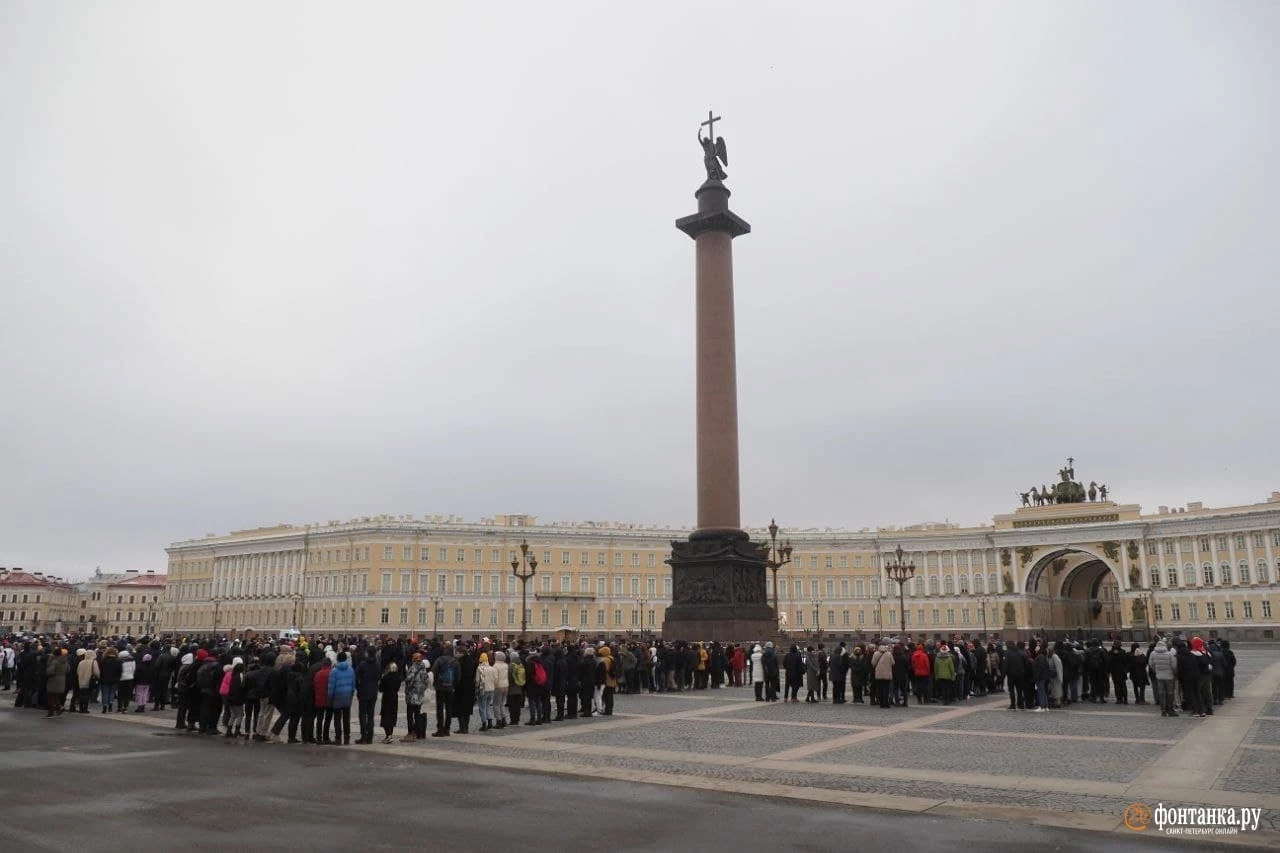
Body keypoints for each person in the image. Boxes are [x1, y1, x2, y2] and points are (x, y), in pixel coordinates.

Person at [327, 651, 356, 745]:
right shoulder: (351, 669)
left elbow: (331, 686)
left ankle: (338, 738)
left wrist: (330, 698)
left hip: (337, 696)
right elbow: (353, 684)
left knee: (337, 719)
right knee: (346, 719)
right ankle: (347, 738)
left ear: (338, 659)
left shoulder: (334, 671)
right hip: (347, 696)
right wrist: (351, 694)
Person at [403, 652, 432, 741]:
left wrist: (408, 688)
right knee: (418, 715)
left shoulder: (413, 668)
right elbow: (426, 682)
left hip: (412, 695)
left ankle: (411, 733)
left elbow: (409, 680)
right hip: (420, 695)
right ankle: (418, 733)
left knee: (410, 715)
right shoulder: (424, 669)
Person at [430, 644, 458, 737]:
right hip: (450, 688)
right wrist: (454, 685)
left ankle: (440, 729)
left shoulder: (439, 660)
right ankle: (447, 729)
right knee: (449, 709)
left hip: (440, 688)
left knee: (440, 709)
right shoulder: (455, 661)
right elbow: (458, 676)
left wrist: (435, 684)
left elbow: (433, 672)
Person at [355, 651, 380, 745]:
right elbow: (378, 677)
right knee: (370, 715)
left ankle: (363, 737)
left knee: (362, 715)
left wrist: (358, 688)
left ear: (367, 654)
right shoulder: (377, 665)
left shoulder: (362, 665)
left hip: (363, 692)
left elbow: (356, 677)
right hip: (373, 692)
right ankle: (370, 737)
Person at [378, 661, 402, 744]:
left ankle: (388, 735)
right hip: (395, 697)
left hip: (387, 698)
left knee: (386, 716)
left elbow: (381, 688)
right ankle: (390, 734)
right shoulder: (398, 677)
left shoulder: (386, 677)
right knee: (392, 715)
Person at [475, 652, 497, 731]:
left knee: (482, 707)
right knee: (488, 706)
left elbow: (477, 680)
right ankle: (490, 722)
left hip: (483, 690)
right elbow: (495, 679)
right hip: (491, 689)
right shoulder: (492, 668)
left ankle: (484, 723)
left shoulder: (479, 668)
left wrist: (476, 688)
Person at [44, 648, 69, 717]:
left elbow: (50, 671)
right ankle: (59, 708)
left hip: (54, 680)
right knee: (55, 696)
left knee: (50, 695)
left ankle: (51, 711)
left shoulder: (54, 661)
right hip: (62, 679)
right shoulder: (65, 661)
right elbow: (68, 670)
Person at [75, 649, 99, 714]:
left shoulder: (81, 662)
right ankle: (85, 708)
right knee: (87, 695)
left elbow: (77, 671)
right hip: (89, 681)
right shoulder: (93, 662)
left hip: (81, 680)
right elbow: (96, 672)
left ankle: (81, 708)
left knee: (81, 694)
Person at [871, 644, 893, 709]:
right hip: (887, 674)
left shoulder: (875, 653)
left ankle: (881, 703)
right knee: (886, 689)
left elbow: (873, 663)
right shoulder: (889, 654)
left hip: (878, 674)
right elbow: (893, 662)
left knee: (880, 689)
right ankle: (886, 703)